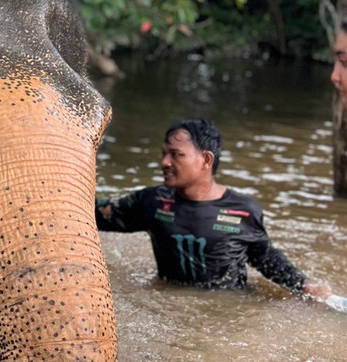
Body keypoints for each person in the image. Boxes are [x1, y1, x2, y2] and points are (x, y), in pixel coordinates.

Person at [95, 118, 334, 299]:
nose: (164, 163)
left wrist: (304, 284)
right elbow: (96, 214)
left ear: (206, 160)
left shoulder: (242, 210)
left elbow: (265, 258)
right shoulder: (152, 201)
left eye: (176, 155)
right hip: (169, 303)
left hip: (229, 307)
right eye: (164, 154)